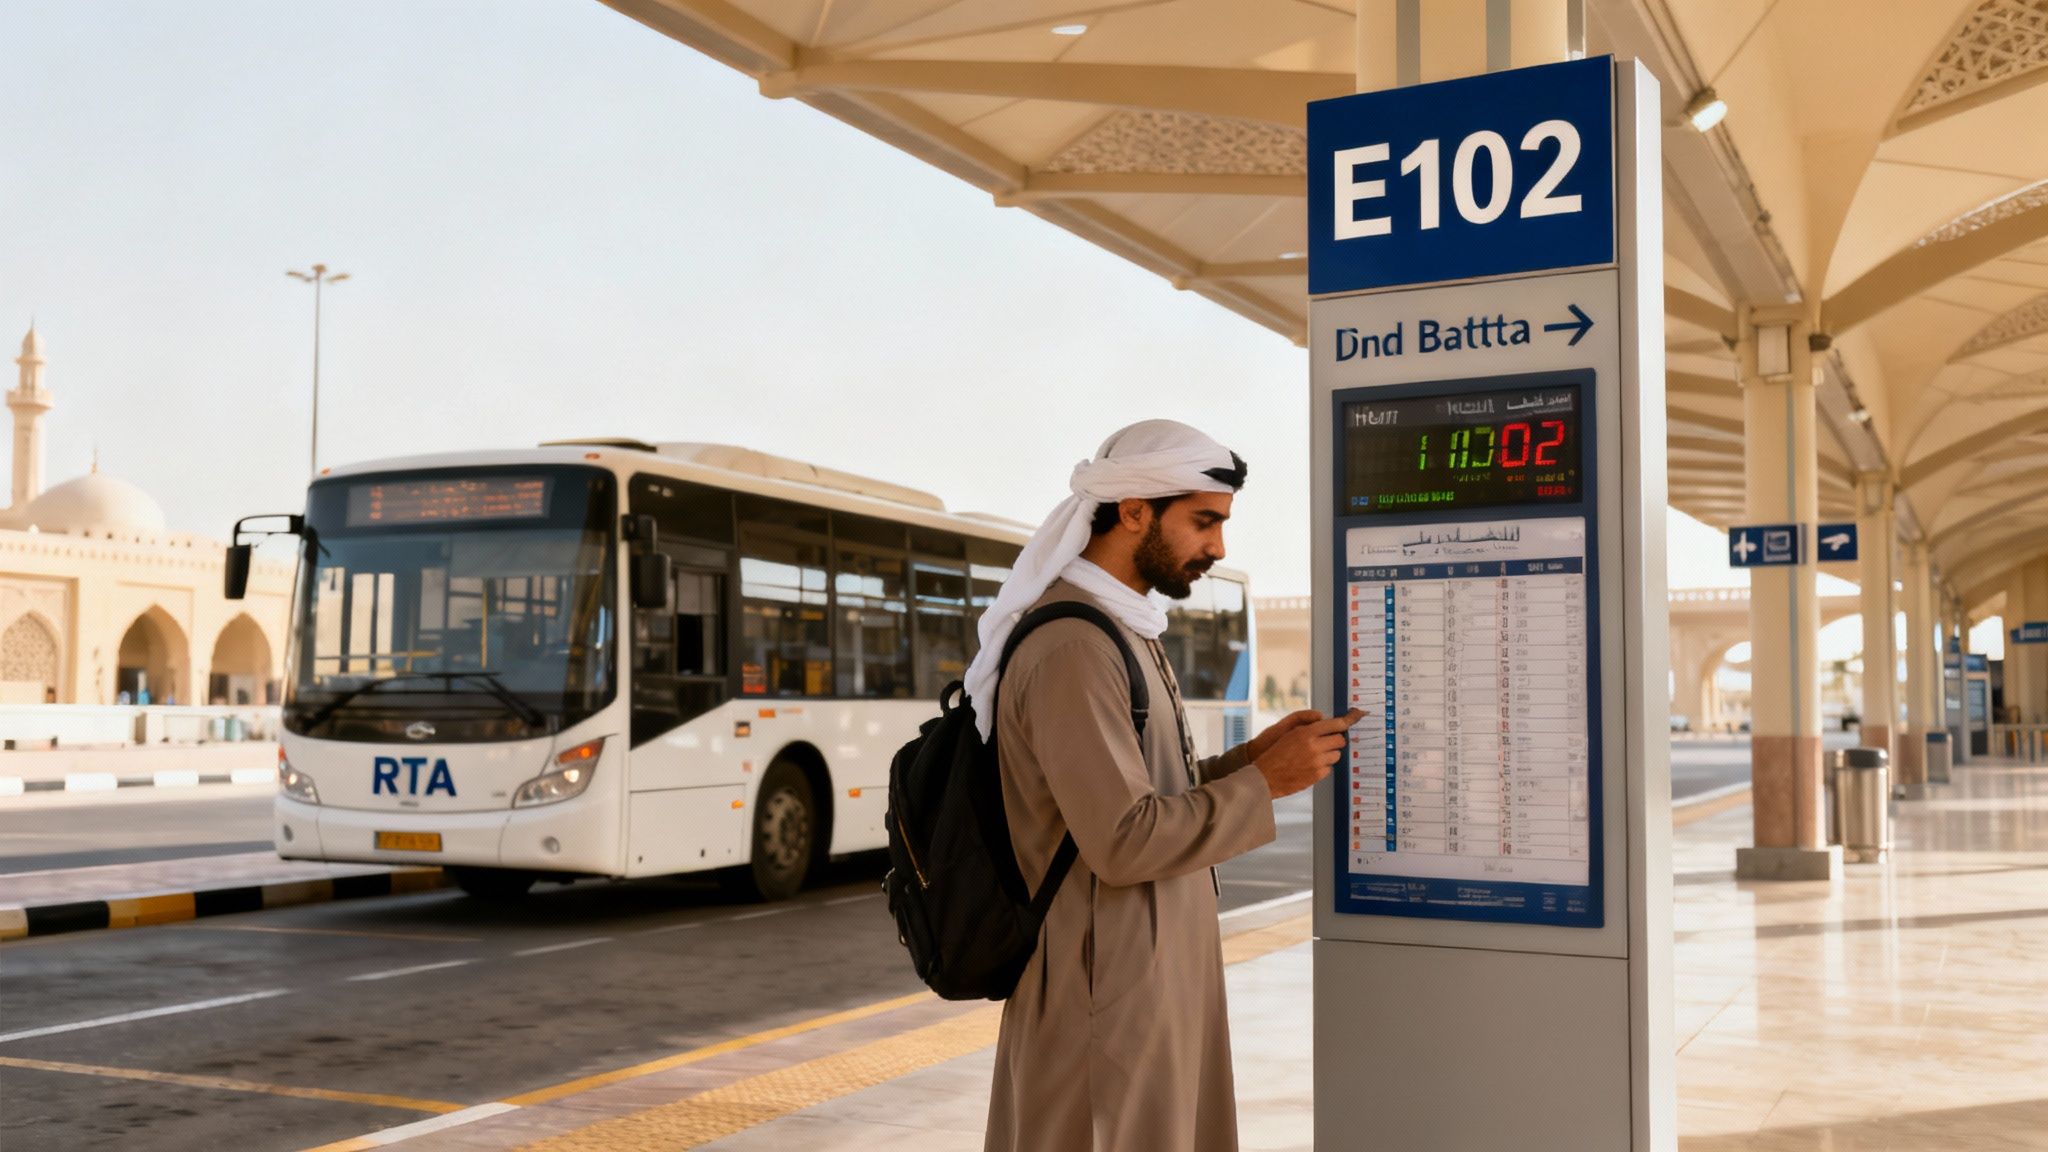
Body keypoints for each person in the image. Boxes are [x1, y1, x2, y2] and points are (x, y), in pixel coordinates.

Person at [974, 419, 1358, 1152]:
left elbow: (1149, 791)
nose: (1218, 547)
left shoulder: (1125, 629)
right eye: (1204, 522)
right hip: (1103, 986)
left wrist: (1253, 763)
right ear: (1134, 511)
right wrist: (1262, 787)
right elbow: (1122, 840)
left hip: (1147, 972)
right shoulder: (1073, 646)